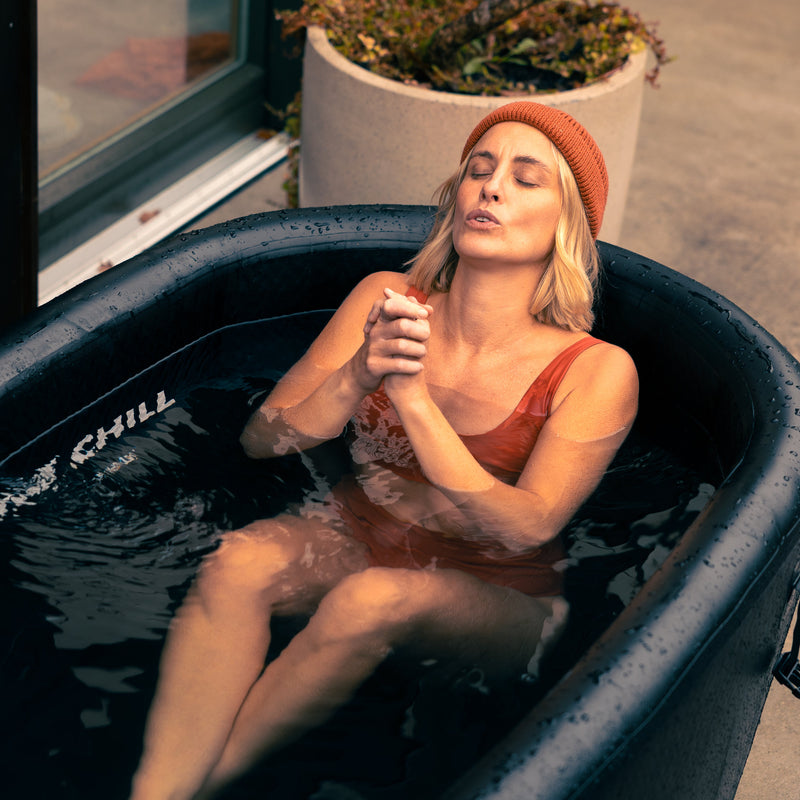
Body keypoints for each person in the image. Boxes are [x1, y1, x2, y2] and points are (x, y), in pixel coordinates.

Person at [129, 101, 639, 800]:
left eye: (526, 179)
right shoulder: (384, 298)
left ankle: (207, 788)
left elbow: (528, 525)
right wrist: (357, 374)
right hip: (359, 532)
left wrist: (413, 400)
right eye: (479, 170)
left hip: (498, 594)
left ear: (567, 226)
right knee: (236, 560)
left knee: (370, 601)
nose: (490, 188)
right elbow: (262, 440)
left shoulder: (595, 370)